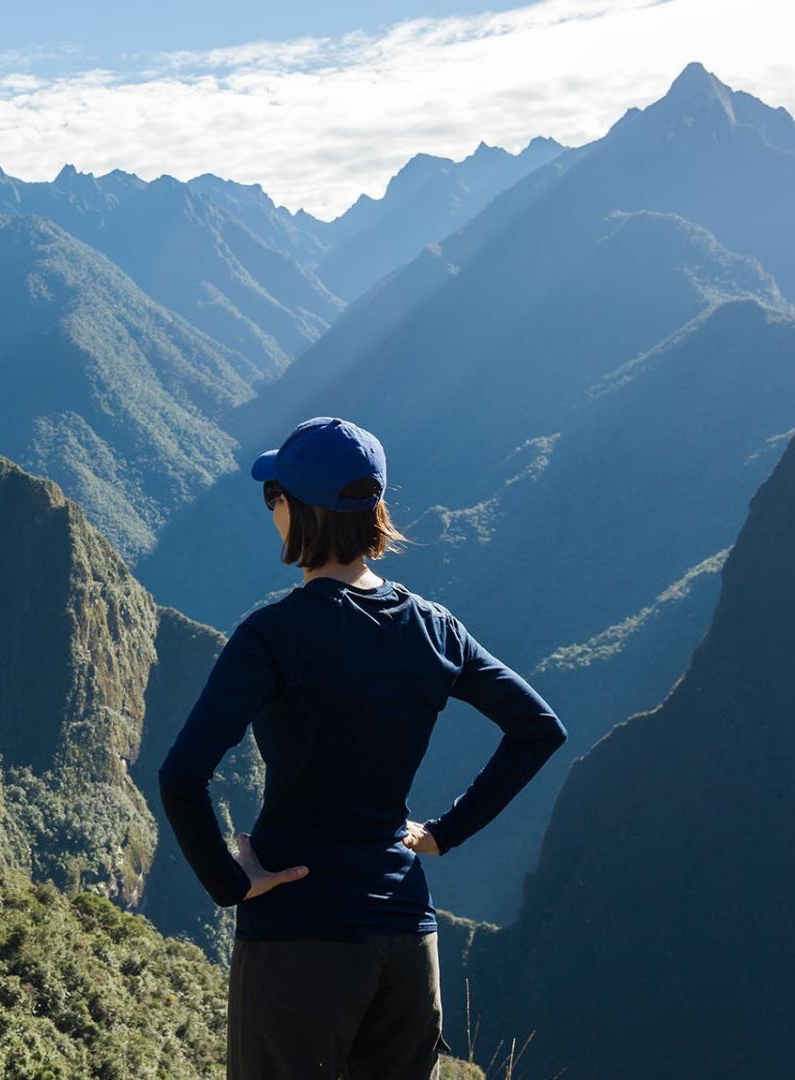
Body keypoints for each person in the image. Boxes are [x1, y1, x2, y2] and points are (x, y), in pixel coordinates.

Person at [157, 416, 568, 1079]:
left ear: (299, 511)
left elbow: (182, 776)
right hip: (407, 937)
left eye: (275, 498)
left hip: (299, 937)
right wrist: (443, 832)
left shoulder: (272, 636)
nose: (272, 511)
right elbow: (538, 728)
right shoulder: (435, 630)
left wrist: (232, 882)